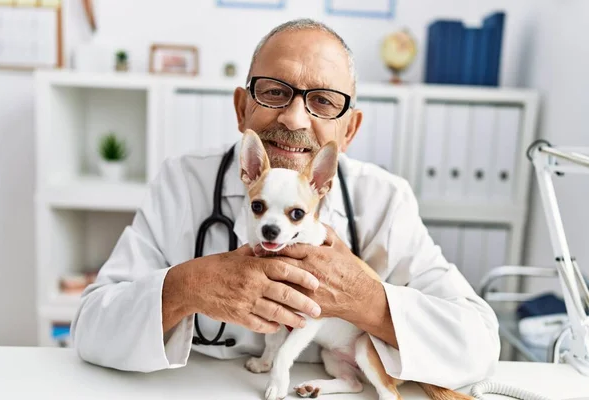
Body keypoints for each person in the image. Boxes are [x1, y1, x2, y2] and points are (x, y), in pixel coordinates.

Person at [71, 18, 500, 390]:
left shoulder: (384, 200)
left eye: (324, 102)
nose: (294, 119)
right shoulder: (182, 184)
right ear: (242, 109)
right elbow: (90, 330)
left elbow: (477, 347)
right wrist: (190, 287)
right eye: (275, 92)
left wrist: (364, 299)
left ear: (349, 131)